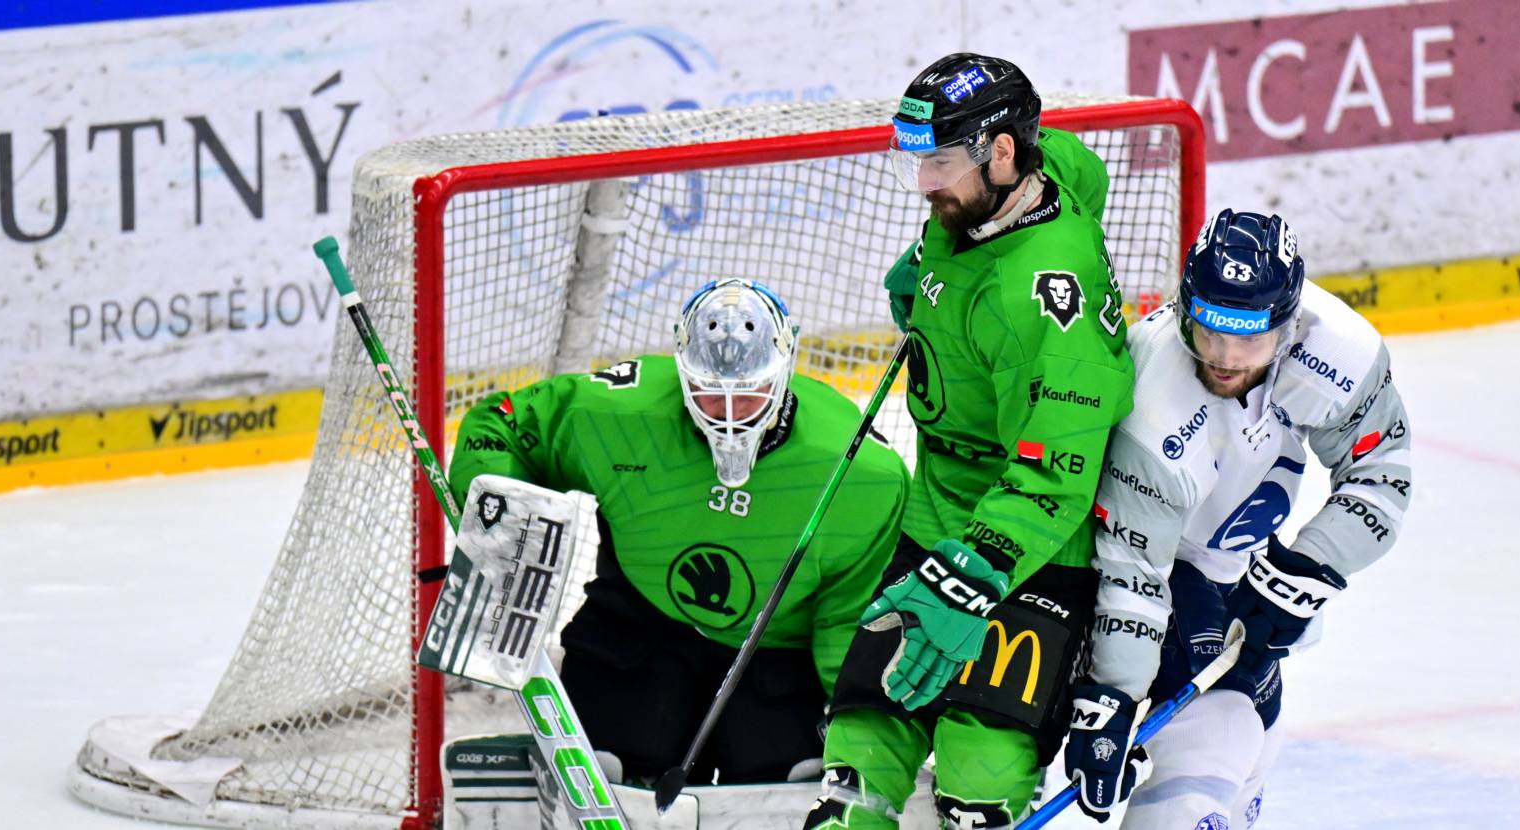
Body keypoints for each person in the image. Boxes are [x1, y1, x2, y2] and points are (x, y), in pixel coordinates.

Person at [804, 53, 1134, 829]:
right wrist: (929, 289)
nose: (926, 184)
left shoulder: (1042, 309)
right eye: (918, 161)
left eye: (941, 164)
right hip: (936, 510)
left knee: (978, 785)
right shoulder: (1021, 180)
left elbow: (1054, 478)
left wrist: (971, 575)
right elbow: (1083, 171)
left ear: (1003, 152)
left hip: (1031, 544)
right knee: (859, 757)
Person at [446, 278, 908, 787]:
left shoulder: (864, 474)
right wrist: (499, 528)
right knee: (603, 768)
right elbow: (501, 425)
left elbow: (850, 618)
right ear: (682, 373)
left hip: (776, 651)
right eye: (710, 394)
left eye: (748, 394)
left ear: (783, 372)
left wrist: (862, 726)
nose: (729, 415)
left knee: (793, 783)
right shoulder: (616, 413)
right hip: (639, 628)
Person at [1062, 210, 1415, 828]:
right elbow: (1133, 569)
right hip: (1158, 563)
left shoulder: (1337, 351)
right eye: (1209, 332)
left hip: (1236, 560)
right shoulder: (1153, 400)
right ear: (1184, 308)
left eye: (1249, 339)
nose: (1224, 358)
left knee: (1259, 737)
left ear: (1289, 322)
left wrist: (1307, 568)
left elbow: (1383, 471)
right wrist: (1112, 698)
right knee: (1219, 731)